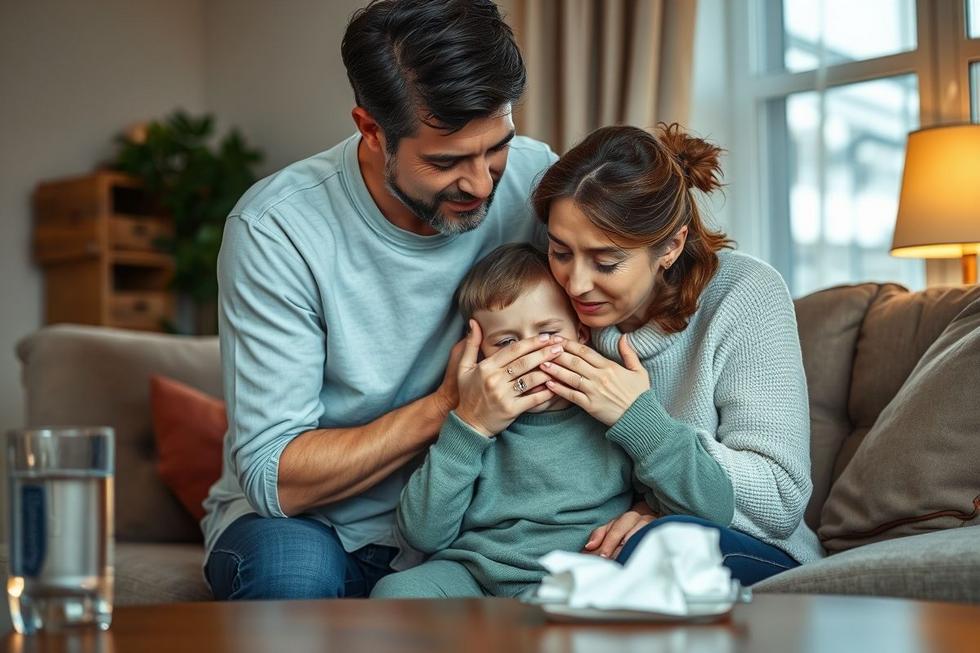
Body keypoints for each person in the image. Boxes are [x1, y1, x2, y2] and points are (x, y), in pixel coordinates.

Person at [201, 0, 559, 601]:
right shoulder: (277, 229)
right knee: (293, 581)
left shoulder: (533, 179)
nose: (480, 183)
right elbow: (273, 478)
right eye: (445, 161)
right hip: (310, 525)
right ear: (371, 130)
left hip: (479, 518)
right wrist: (450, 403)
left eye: (495, 146)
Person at [529, 124, 823, 585]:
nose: (576, 283)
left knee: (660, 548)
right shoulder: (551, 305)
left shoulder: (744, 295)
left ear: (670, 246)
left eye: (607, 263)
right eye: (560, 251)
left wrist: (641, 423)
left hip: (754, 551)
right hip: (616, 542)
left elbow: (780, 499)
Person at [371, 244, 634, 599]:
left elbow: (711, 503)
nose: (529, 354)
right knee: (396, 591)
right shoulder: (472, 423)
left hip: (572, 579)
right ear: (479, 354)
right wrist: (469, 428)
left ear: (580, 335)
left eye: (547, 334)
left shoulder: (610, 410)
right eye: (507, 342)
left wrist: (640, 418)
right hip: (473, 575)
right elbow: (422, 533)